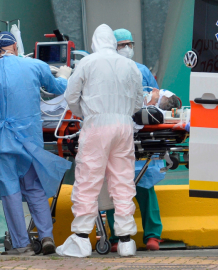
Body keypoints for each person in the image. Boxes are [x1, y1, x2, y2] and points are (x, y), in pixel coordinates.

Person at [0, 31, 73, 256]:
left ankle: (22, 245)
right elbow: (56, 89)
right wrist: (64, 76)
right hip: (29, 140)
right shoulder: (36, 66)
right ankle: (46, 236)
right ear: (15, 46)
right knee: (34, 188)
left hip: (0, 141)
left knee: (10, 191)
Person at [56, 24, 143, 258]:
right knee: (123, 180)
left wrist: (85, 113)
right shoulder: (130, 65)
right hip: (124, 126)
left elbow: (71, 96)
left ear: (94, 42)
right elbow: (138, 102)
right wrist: (122, 113)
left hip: (96, 125)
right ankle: (126, 240)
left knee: (88, 179)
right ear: (114, 43)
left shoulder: (87, 62)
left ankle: (82, 238)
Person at [102, 28, 166, 253]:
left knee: (143, 186)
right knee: (113, 188)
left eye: (130, 44)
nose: (127, 49)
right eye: (122, 45)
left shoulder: (141, 71)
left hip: (137, 134)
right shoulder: (103, 69)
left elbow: (156, 97)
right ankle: (116, 237)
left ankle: (152, 236)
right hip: (116, 132)